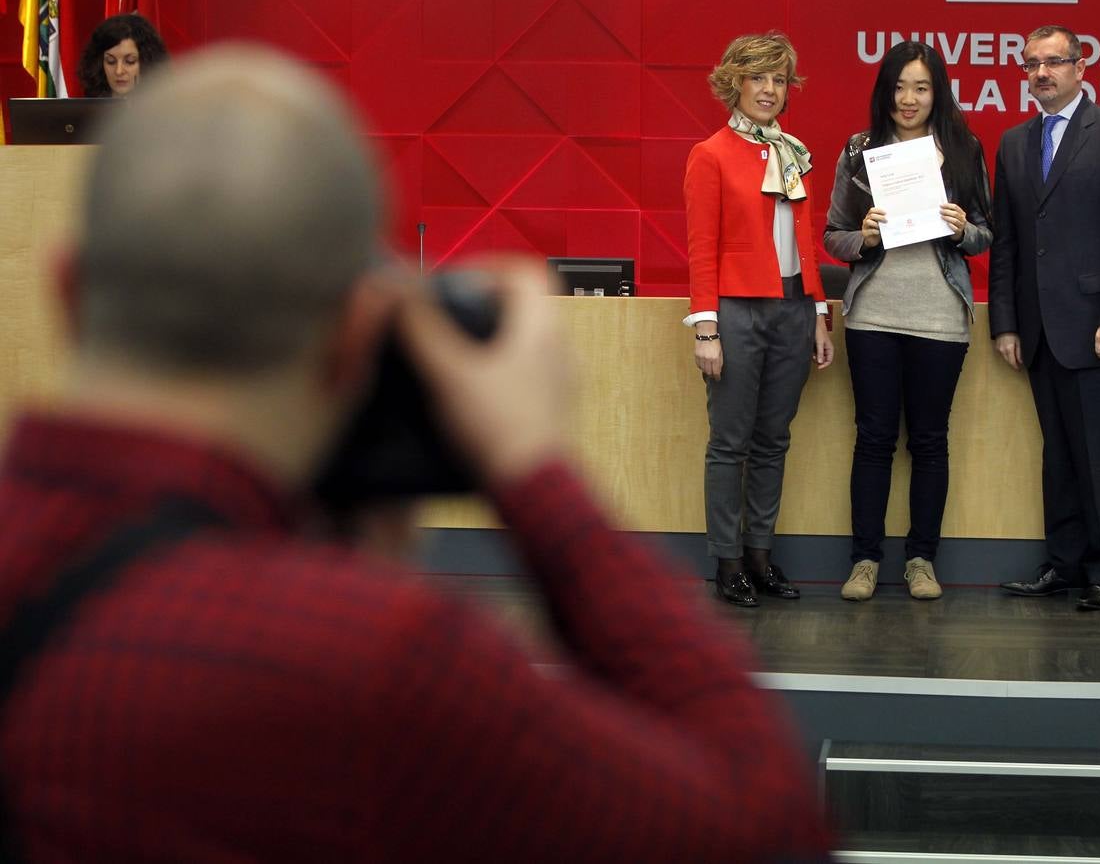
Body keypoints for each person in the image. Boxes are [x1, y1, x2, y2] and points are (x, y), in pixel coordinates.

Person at [0, 46, 831, 862]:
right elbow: (764, 824)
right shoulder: (379, 659)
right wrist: (538, 477)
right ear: (358, 333)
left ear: (67, 293)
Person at [988, 25, 1100, 612]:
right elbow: (1006, 242)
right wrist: (1004, 322)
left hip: (1096, 329)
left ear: (1081, 68)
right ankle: (1063, 565)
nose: (1041, 73)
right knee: (1057, 453)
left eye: (1053, 62)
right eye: (1031, 63)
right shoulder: (1012, 143)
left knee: (1097, 455)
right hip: (1036, 331)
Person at [823, 41, 993, 604]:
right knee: (872, 439)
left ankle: (922, 559)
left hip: (940, 315)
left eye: (921, 87)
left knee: (929, 441)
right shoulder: (859, 149)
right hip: (873, 313)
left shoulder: (964, 149)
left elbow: (986, 235)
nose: (909, 98)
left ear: (937, 91)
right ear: (884, 91)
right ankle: (864, 561)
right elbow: (833, 237)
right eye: (899, 86)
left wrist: (959, 228)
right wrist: (864, 237)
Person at [684, 31, 834, 608]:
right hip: (736, 313)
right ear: (735, 84)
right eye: (758, 79)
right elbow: (700, 248)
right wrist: (706, 328)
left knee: (774, 441)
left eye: (778, 80)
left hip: (794, 310)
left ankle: (760, 557)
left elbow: (805, 242)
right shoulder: (710, 154)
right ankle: (726, 562)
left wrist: (818, 314)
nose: (769, 90)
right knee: (730, 443)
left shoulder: (794, 152)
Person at [76, 13, 168, 97]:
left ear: (148, 63)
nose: (118, 71)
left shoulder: (168, 112)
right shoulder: (85, 112)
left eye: (129, 61)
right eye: (111, 62)